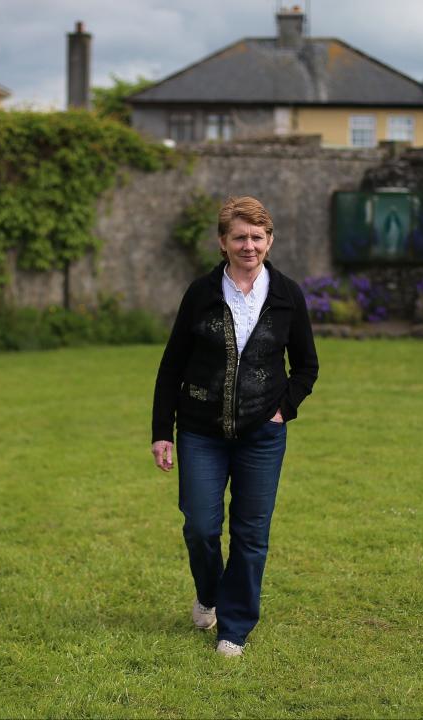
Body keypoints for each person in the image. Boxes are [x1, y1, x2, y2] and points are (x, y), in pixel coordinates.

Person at [151, 196, 319, 657]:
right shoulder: (200, 294)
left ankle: (235, 627)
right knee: (202, 527)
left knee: (251, 534)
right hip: (201, 431)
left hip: (262, 436)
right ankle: (208, 593)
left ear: (270, 241)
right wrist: (162, 431)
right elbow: (171, 367)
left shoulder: (286, 295)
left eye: (258, 237)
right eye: (240, 237)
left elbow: (306, 365)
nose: (250, 246)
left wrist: (283, 409)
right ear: (223, 242)